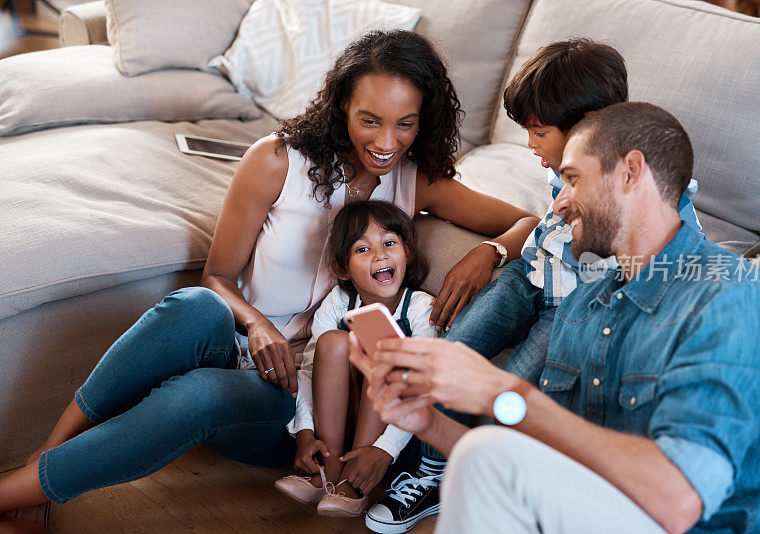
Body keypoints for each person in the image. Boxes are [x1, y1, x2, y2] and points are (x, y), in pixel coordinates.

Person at [0, 30, 537, 528]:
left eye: (406, 123)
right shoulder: (277, 161)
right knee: (191, 305)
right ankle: (46, 462)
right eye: (370, 119)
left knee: (199, 396)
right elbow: (217, 275)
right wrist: (257, 325)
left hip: (298, 401)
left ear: (425, 120)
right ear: (342, 106)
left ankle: (22, 490)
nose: (386, 141)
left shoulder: (416, 181)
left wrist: (489, 252)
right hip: (240, 340)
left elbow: (527, 222)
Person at [354, 102, 760, 533]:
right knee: (485, 453)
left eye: (571, 180)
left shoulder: (728, 297)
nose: (560, 203)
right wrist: (429, 423)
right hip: (606, 506)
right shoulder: (586, 303)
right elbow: (531, 455)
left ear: (630, 173)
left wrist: (496, 389)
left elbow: (678, 501)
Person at [362, 38, 702, 534]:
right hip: (532, 274)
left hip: (576, 306)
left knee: (508, 397)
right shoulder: (563, 167)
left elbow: (677, 253)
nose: (529, 145)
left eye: (538, 132)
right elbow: (547, 226)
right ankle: (428, 465)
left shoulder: (648, 187)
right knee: (453, 350)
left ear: (589, 129)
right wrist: (501, 249)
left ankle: (449, 473)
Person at [273, 200, 437, 517]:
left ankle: (356, 480)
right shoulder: (338, 302)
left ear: (408, 254)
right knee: (333, 340)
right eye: (363, 250)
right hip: (337, 424)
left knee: (378, 339)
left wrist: (384, 449)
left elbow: (422, 389)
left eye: (390, 243)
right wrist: (305, 435)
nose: (380, 255)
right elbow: (308, 371)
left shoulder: (419, 308)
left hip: (395, 438)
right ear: (342, 268)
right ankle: (328, 468)